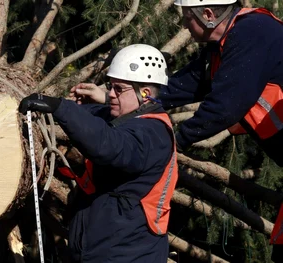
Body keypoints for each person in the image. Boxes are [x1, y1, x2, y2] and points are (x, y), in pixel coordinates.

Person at [72, 1, 283, 261]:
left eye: (186, 17)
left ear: (207, 15)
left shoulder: (253, 32)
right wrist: (109, 98)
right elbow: (177, 88)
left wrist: (173, 141)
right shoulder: (222, 47)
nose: (183, 24)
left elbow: (224, 107)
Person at [19, 44, 178, 263]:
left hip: (128, 256)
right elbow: (101, 118)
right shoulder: (131, 118)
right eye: (110, 87)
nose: (110, 94)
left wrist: (62, 108)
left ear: (146, 94)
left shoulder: (152, 133)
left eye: (118, 89)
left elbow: (108, 146)